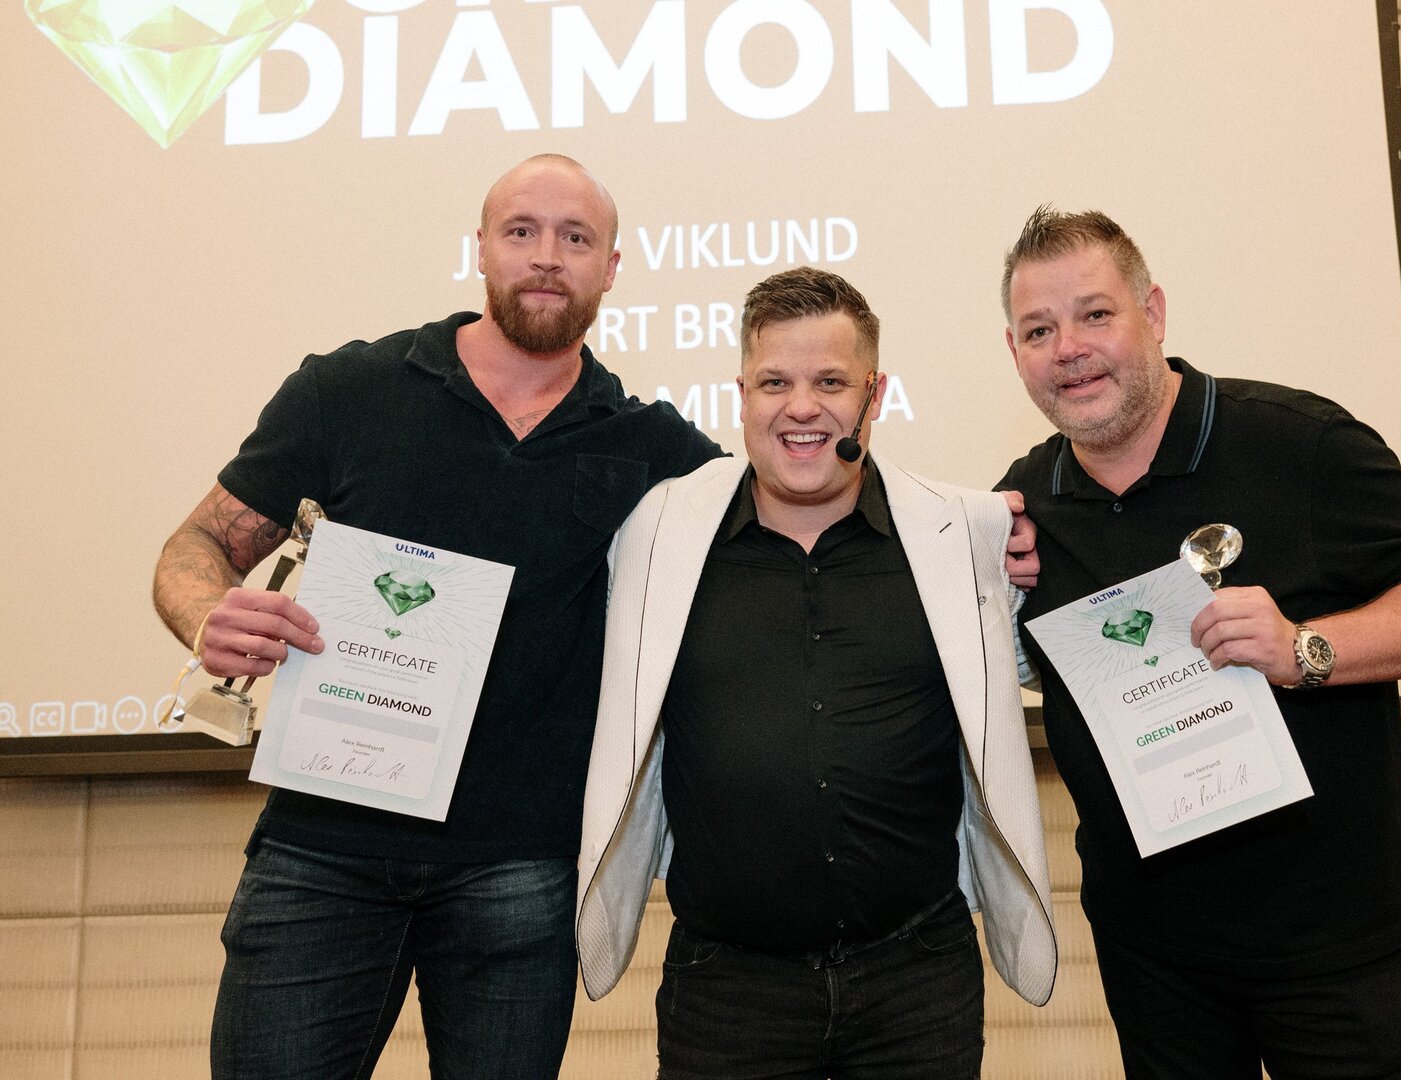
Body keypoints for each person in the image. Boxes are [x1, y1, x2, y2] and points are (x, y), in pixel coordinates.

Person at [151, 154, 724, 1080]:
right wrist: (207, 613)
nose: (547, 256)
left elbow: (785, 527)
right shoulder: (350, 389)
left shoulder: (651, 445)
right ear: (481, 249)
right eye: (522, 231)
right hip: (322, 849)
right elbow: (199, 543)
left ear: (612, 267)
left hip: (521, 869)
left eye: (576, 238)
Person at [997, 207, 1401, 1080]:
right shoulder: (1018, 506)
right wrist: (996, 601)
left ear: (1153, 313)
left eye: (1095, 314)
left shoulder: (1300, 443)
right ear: (1014, 351)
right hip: (1152, 951)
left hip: (1334, 940)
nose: (1068, 349)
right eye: (1039, 330)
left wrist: (1305, 648)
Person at [576, 267, 1057, 1080]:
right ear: (741, 396)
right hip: (725, 992)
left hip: (919, 982)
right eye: (775, 383)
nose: (801, 407)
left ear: (875, 395)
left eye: (831, 382)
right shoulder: (654, 534)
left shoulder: (966, 533)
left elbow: (1041, 663)